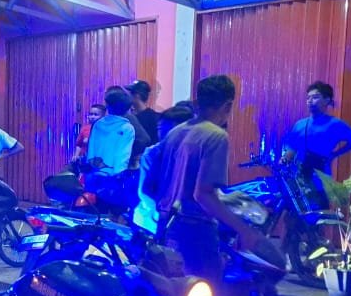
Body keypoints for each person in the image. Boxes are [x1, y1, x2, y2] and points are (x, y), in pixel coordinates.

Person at [149, 75, 263, 278]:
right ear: (228, 105)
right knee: (210, 291)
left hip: (165, 227)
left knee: (174, 290)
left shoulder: (175, 133)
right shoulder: (216, 136)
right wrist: (244, 230)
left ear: (197, 101)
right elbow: (203, 195)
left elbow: (150, 185)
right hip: (197, 231)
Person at [280, 81, 351, 175]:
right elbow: (292, 147)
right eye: (308, 98)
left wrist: (334, 154)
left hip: (321, 175)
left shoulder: (335, 124)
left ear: (327, 100)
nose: (310, 101)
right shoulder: (299, 124)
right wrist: (285, 159)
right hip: (298, 175)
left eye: (315, 97)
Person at [133, 104, 193, 234]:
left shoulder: (195, 153)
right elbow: (145, 191)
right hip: (150, 220)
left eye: (170, 130)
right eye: (160, 129)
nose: (163, 134)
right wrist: (162, 215)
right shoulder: (153, 153)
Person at [86, 86, 137, 177]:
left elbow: (91, 150)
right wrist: (119, 177)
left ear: (107, 105)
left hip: (94, 174)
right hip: (113, 177)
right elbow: (123, 155)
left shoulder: (98, 124)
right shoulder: (127, 128)